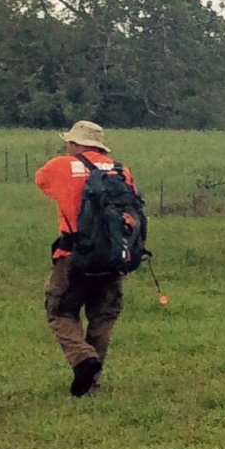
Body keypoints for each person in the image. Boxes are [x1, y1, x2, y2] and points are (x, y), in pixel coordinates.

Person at [33, 121, 134, 396]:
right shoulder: (120, 170)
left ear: (76, 144)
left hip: (73, 256)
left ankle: (83, 359)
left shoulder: (60, 165)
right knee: (102, 316)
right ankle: (92, 381)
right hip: (112, 257)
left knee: (60, 312)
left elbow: (42, 183)